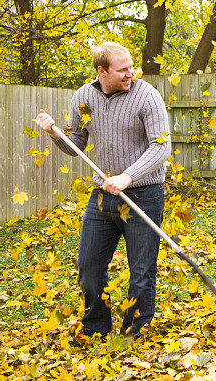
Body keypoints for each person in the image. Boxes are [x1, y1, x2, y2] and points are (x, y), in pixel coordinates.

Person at [35, 41, 171, 340]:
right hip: (103, 195)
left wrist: (127, 176)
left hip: (144, 195)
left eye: (131, 67)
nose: (130, 74)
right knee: (89, 266)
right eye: (122, 70)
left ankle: (135, 331)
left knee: (141, 270)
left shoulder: (147, 95)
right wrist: (54, 132)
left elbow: (161, 146)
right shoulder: (84, 97)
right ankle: (96, 326)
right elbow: (76, 146)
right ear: (101, 71)